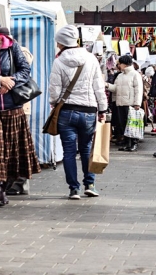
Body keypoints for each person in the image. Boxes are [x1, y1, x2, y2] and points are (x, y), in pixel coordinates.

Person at [0, 19, 40, 207]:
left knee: (12, 151)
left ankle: (5, 188)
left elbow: (25, 70)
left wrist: (11, 81)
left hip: (14, 107)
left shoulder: (12, 48)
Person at [49, 24, 107, 199]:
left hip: (67, 111)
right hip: (89, 111)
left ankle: (74, 188)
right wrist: (103, 108)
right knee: (86, 149)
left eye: (58, 42)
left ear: (62, 42)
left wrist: (54, 102)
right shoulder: (91, 59)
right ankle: (90, 183)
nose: (57, 45)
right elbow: (99, 87)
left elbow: (54, 89)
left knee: (68, 151)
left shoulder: (58, 61)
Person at [106, 55, 143, 152]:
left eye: (120, 63)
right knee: (123, 124)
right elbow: (115, 88)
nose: (118, 65)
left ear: (124, 64)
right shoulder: (120, 75)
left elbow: (138, 90)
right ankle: (127, 142)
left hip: (130, 104)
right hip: (120, 103)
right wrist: (107, 85)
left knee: (131, 124)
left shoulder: (135, 74)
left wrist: (137, 103)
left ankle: (133, 143)